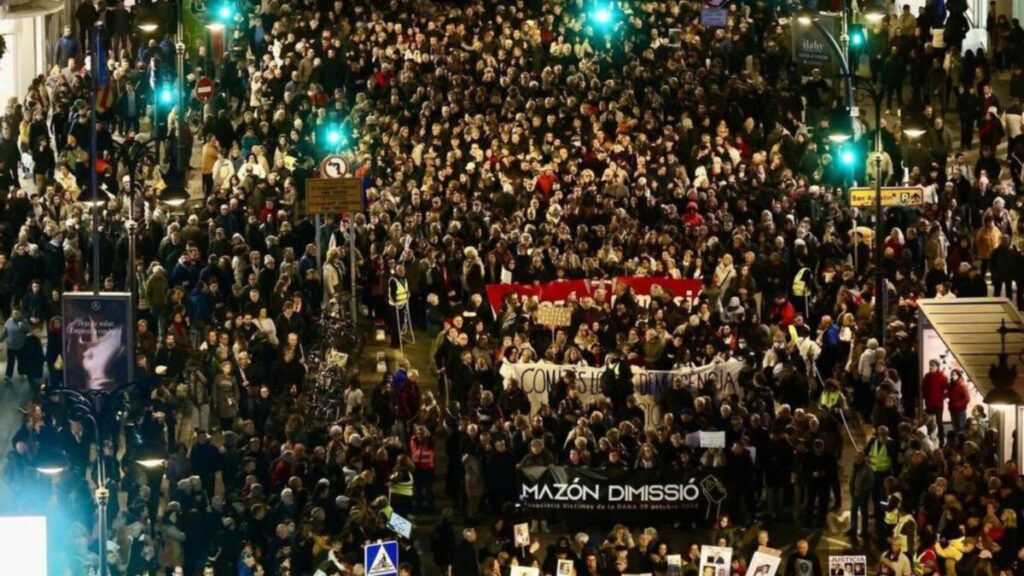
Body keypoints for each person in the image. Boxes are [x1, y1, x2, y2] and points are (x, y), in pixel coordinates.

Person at [0, 307, 29, 385]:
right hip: (10, 345)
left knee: (21, 360)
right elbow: (5, 332)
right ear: (12, 313)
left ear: (20, 314)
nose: (15, 315)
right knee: (10, 361)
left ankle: (22, 373)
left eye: (17, 313)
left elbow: (27, 331)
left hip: (21, 345)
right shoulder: (8, 321)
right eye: (14, 313)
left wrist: (23, 327)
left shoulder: (24, 321)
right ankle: (8, 375)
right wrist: (1, 340)